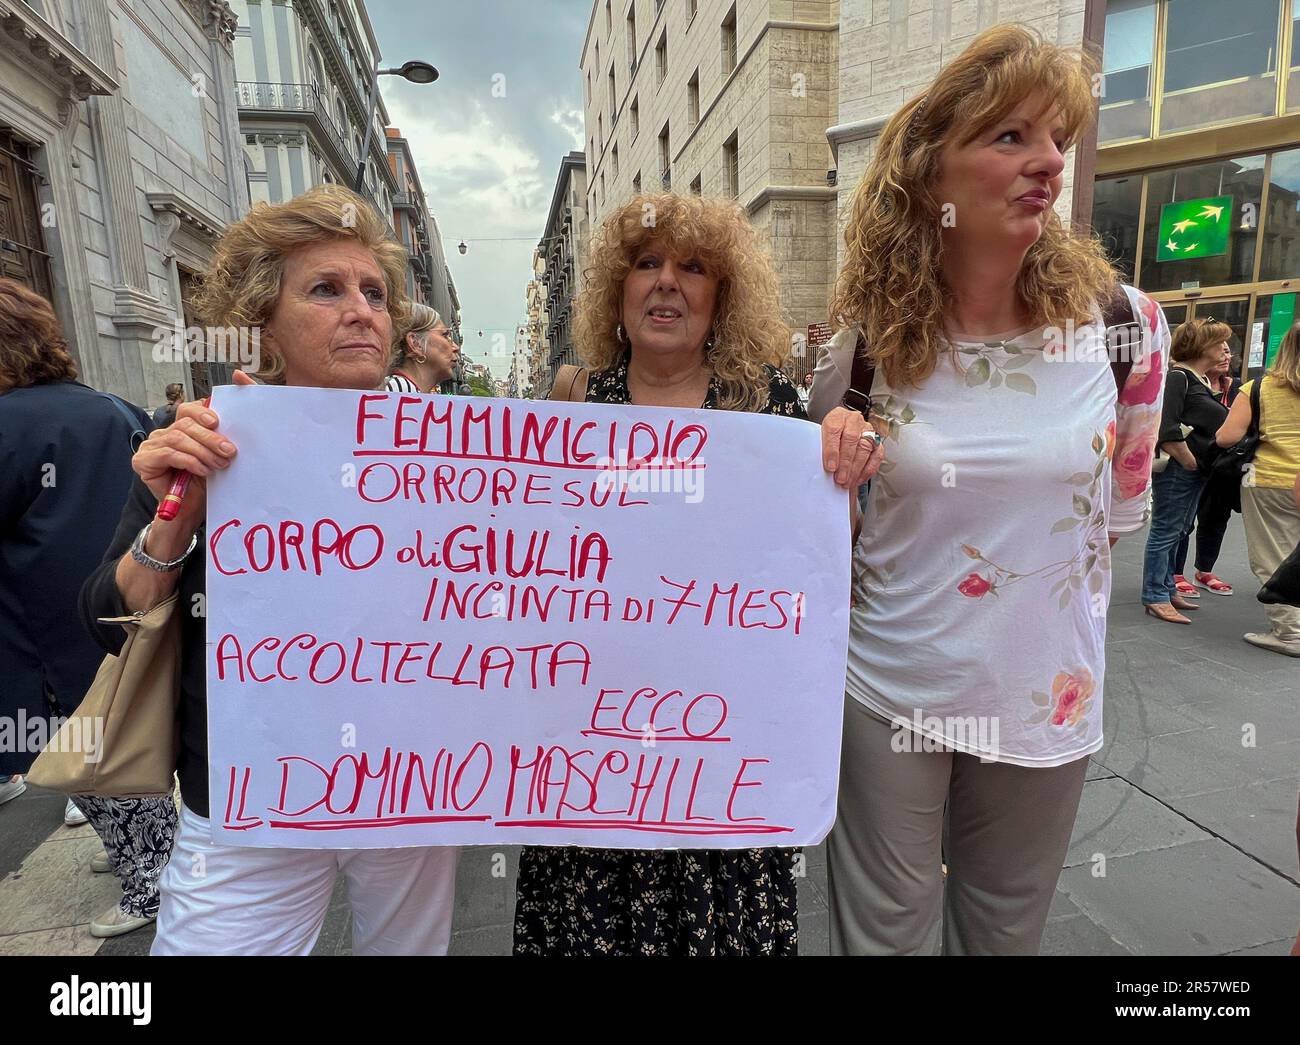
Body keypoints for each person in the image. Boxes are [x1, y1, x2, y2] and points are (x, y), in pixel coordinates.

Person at [808, 25, 1167, 955]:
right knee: (882, 937)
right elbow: (824, 540)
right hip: (887, 690)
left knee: (1005, 935)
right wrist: (836, 460)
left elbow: (1112, 529)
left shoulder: (1126, 330)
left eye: (1056, 138)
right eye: (1009, 137)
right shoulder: (861, 350)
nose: (1047, 162)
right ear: (932, 174)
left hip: (1046, 693)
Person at [79, 184, 461, 954]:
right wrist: (175, 516)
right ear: (264, 323)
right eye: (326, 288)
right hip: (249, 798)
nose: (362, 309)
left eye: (375, 292)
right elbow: (105, 617)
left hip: (413, 786)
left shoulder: (448, 450)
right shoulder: (203, 437)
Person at [511, 192, 884, 956]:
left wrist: (844, 467)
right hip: (595, 741)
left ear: (724, 296)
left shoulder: (771, 409)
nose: (667, 283)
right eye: (647, 263)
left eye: (693, 267)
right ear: (618, 289)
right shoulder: (571, 401)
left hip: (720, 744)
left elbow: (820, 561)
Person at [0, 277, 176, 938]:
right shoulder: (115, 407)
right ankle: (144, 860)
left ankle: (151, 882)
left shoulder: (8, 424)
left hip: (48, 626)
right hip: (128, 609)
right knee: (122, 745)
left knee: (88, 754)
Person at [1215, 322, 1300, 656]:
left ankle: (1290, 632)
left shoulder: (1258, 388)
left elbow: (1227, 437)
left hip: (1269, 480)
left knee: (1274, 554)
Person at [1141, 319, 1232, 624]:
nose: (1225, 349)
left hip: (1193, 467)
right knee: (1167, 531)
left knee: (1178, 530)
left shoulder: (1199, 379)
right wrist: (1188, 459)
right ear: (1202, 346)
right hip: (1180, 467)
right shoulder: (1180, 376)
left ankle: (1165, 589)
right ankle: (1155, 594)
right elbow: (1166, 425)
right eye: (1219, 342)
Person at [1172, 353, 1241, 598]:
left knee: (1216, 516)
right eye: (1220, 350)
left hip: (1222, 464)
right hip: (1192, 460)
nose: (1226, 357)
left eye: (1228, 352)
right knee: (1182, 521)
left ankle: (1204, 570)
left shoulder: (1237, 388)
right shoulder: (1187, 381)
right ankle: (1176, 573)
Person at [385, 303, 458, 393]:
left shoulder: (401, 391)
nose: (455, 347)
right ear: (415, 343)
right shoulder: (399, 393)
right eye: (445, 335)